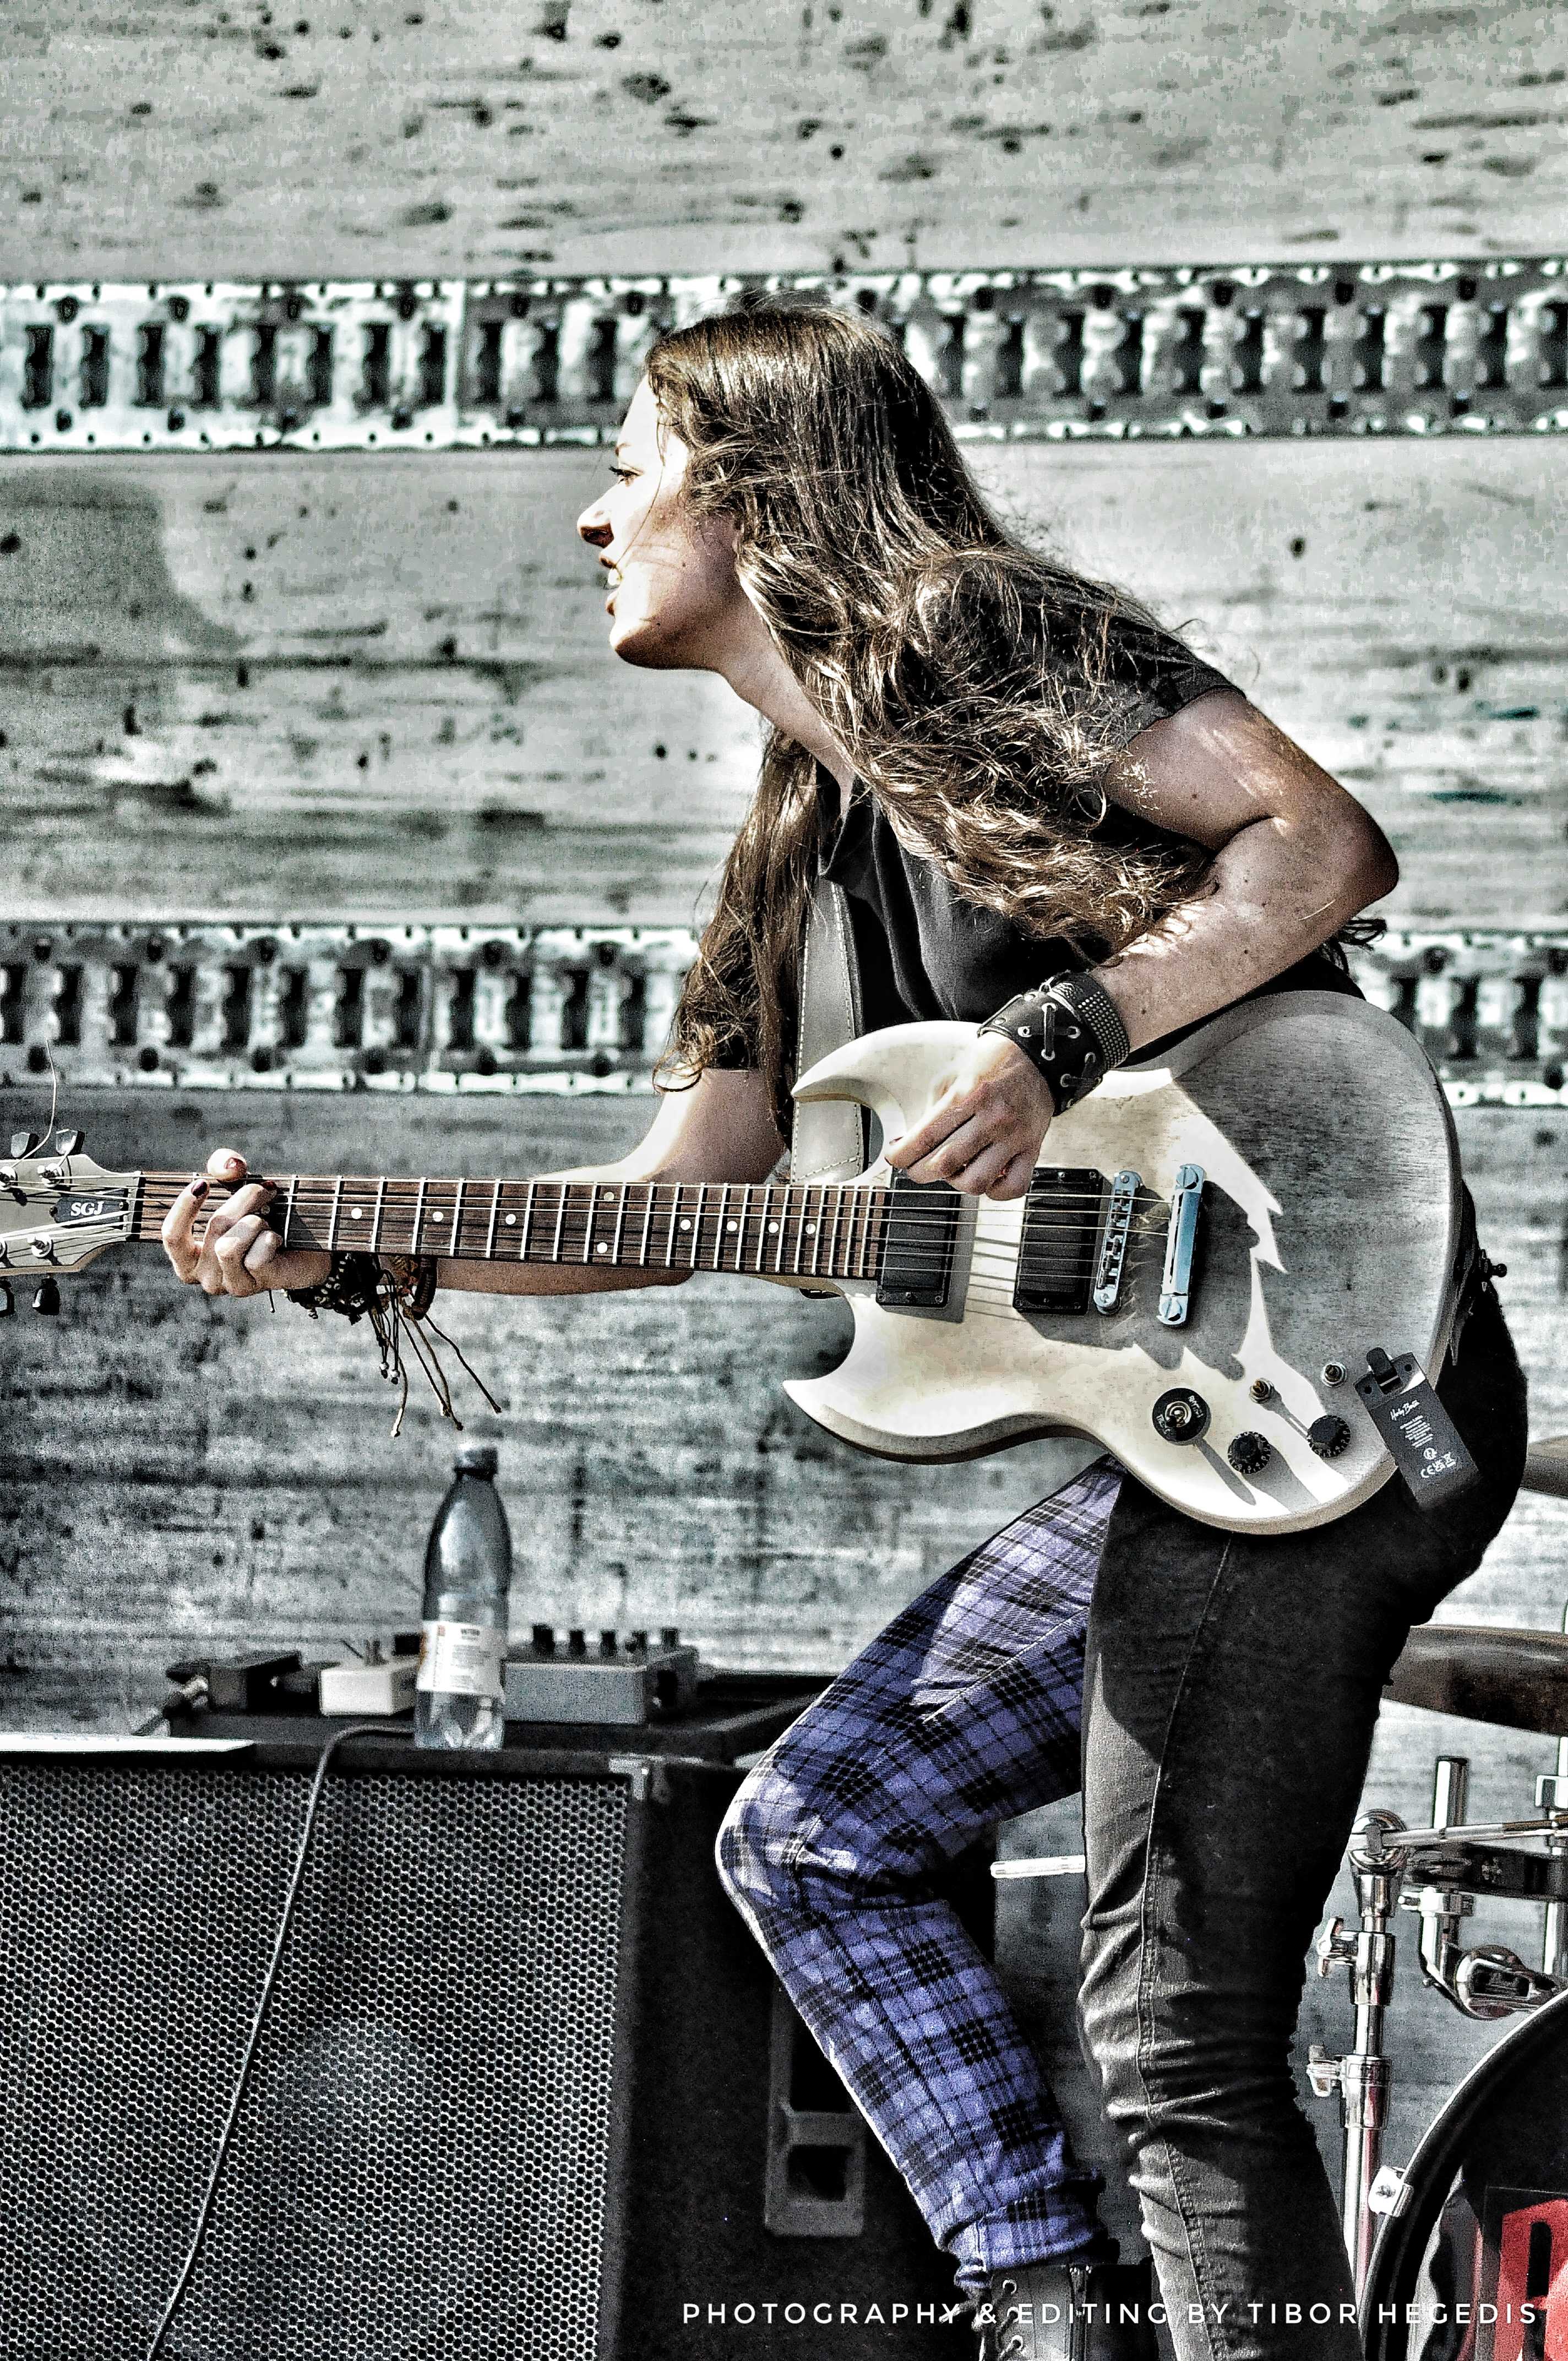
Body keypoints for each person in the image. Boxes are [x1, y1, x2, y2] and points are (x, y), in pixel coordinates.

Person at [161, 301, 1529, 2361]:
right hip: (1182, 1448)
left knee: (1178, 2031)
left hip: (1343, 1385)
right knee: (818, 1834)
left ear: (754, 487)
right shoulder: (789, 843)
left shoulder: (985, 644)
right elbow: (673, 1205)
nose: (592, 516)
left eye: (629, 465)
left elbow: (1318, 845)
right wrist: (347, 1255)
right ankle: (1045, 2309)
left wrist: (1063, 1032)